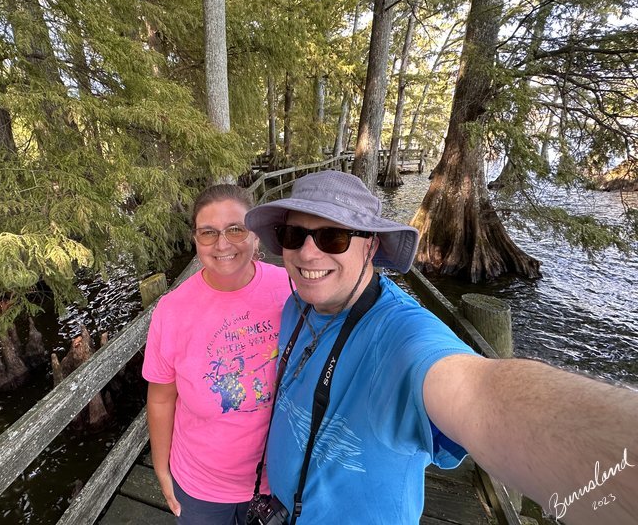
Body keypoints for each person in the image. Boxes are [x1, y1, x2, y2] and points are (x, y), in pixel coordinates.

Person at [245, 170, 638, 525]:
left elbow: (478, 394)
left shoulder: (401, 335)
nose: (308, 253)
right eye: (294, 235)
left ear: (370, 246)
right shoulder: (297, 304)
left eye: (334, 236)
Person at [142, 184, 291, 525]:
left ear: (256, 236)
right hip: (200, 488)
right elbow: (162, 399)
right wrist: (161, 467)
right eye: (208, 233)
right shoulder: (172, 311)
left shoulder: (292, 288)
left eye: (235, 229)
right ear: (196, 240)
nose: (222, 244)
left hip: (281, 479)